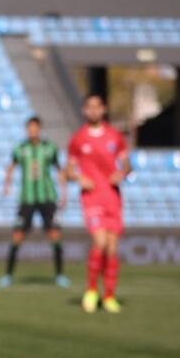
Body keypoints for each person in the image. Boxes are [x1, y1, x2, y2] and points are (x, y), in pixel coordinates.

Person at [66, 95, 129, 313]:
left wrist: (122, 173)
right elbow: (69, 170)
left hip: (112, 196)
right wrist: (79, 178)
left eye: (97, 107)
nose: (93, 111)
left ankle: (109, 295)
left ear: (104, 109)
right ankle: (91, 290)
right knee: (100, 243)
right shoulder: (78, 139)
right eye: (89, 107)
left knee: (112, 248)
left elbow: (127, 164)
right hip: (91, 197)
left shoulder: (115, 136)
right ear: (84, 110)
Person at [0, 116, 69, 288]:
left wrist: (64, 193)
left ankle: (60, 275)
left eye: (35, 128)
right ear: (27, 130)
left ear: (39, 129)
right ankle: (8, 275)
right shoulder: (20, 148)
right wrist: (6, 185)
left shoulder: (49, 148)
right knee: (17, 236)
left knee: (55, 235)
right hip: (27, 199)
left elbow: (59, 170)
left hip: (47, 198)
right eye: (30, 128)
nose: (33, 131)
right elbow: (11, 166)